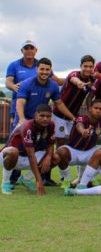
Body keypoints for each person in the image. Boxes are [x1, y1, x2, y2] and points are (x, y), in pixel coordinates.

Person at [15, 57, 75, 186]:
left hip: (42, 124)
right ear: (37, 69)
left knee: (48, 152)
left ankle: (40, 178)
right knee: (19, 151)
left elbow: (59, 103)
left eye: (47, 69)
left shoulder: (52, 85)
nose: (44, 72)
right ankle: (12, 180)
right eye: (42, 69)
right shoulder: (26, 84)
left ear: (50, 71)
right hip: (24, 122)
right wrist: (21, 119)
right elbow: (20, 103)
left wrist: (72, 118)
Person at [53, 100, 101, 187]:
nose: (98, 111)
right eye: (95, 108)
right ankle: (66, 180)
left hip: (90, 151)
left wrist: (98, 153)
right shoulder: (82, 118)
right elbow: (79, 125)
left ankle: (98, 178)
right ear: (90, 109)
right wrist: (83, 131)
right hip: (74, 151)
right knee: (60, 152)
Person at [1, 104, 56, 195]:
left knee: (55, 157)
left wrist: (49, 157)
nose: (45, 118)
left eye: (48, 116)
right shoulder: (28, 126)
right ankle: (5, 183)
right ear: (35, 116)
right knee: (13, 152)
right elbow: (31, 155)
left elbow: (51, 144)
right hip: (11, 156)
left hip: (28, 155)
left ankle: (26, 179)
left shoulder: (51, 125)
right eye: (42, 116)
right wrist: (39, 181)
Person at [53, 55, 96, 147]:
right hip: (59, 114)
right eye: (85, 66)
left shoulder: (91, 80)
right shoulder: (74, 74)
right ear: (81, 66)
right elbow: (74, 79)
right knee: (59, 142)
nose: (88, 69)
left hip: (72, 116)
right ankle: (55, 161)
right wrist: (79, 83)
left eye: (90, 67)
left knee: (71, 143)